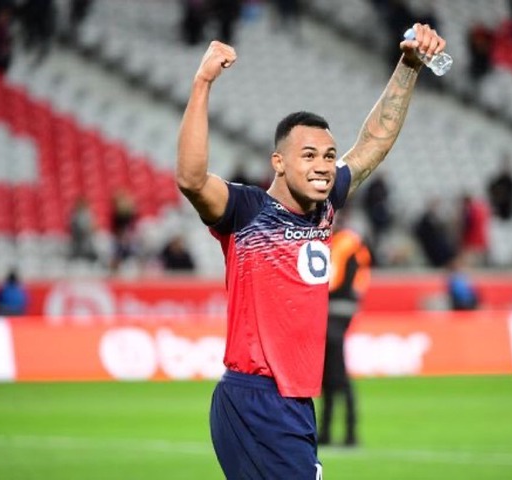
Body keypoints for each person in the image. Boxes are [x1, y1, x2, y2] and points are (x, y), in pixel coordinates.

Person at [176, 24, 446, 479]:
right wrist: (202, 83)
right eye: (309, 155)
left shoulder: (325, 208)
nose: (323, 166)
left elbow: (374, 143)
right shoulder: (246, 210)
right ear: (278, 162)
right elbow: (191, 179)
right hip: (258, 398)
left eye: (329, 155)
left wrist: (409, 65)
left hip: (294, 400)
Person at [318, 224, 371, 447]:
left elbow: (333, 278)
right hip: (344, 309)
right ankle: (331, 433)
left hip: (334, 310)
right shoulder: (354, 242)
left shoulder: (343, 242)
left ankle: (347, 434)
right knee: (332, 372)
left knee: (335, 374)